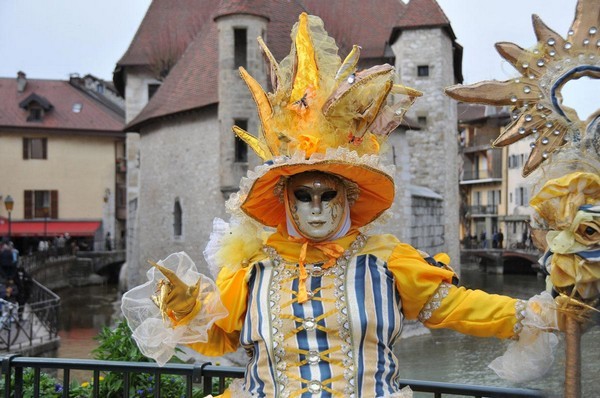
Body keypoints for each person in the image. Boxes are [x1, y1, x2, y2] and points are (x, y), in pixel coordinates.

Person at [122, 14, 562, 396]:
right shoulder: (251, 271)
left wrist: (533, 314)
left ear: (348, 197)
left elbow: (455, 306)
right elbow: (221, 338)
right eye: (303, 196)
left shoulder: (388, 263)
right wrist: (187, 309)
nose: (316, 208)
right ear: (285, 202)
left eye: (326, 195)